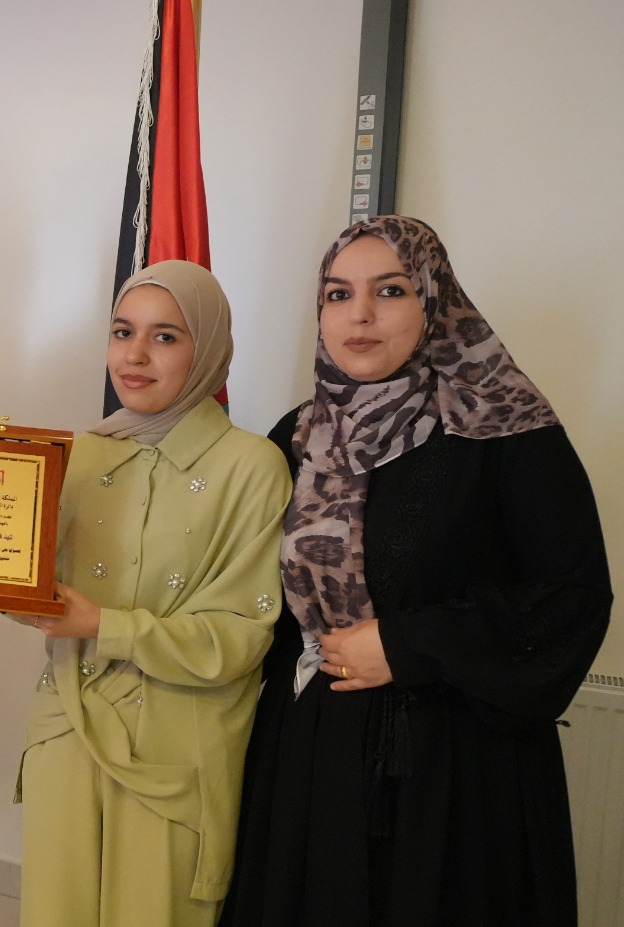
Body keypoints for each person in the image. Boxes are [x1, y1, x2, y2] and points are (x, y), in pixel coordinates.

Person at [223, 217, 612, 927]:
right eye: (338, 294)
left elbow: (571, 596)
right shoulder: (299, 434)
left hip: (452, 772)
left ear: (436, 300)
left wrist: (409, 644)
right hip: (309, 752)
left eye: (390, 290)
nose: (360, 315)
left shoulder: (506, 431)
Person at [14, 261, 291, 926]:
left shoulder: (252, 467)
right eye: (122, 332)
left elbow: (240, 636)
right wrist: (0, 582)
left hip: (175, 755)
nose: (134, 355)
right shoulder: (80, 454)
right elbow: (44, 591)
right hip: (67, 730)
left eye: (165, 336)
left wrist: (103, 625)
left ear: (209, 349)